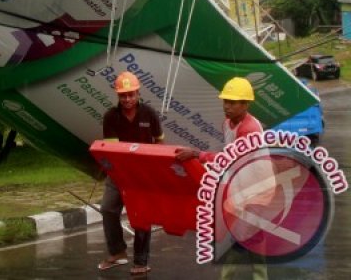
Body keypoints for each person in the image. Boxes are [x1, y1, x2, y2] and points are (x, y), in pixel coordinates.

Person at [175, 77, 269, 280]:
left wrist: (197, 155)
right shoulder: (228, 123)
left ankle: (258, 276)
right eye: (225, 101)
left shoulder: (250, 129)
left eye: (233, 102)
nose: (227, 106)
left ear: (245, 104)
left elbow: (232, 159)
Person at [98, 71, 163, 276]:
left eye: (131, 94)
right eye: (123, 95)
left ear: (137, 93)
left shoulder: (149, 114)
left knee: (141, 216)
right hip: (118, 173)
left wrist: (155, 169)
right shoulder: (111, 116)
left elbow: (159, 141)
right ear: (118, 96)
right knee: (108, 208)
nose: (127, 99)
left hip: (143, 175)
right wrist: (114, 171)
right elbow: (112, 150)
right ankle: (117, 252)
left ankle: (141, 261)